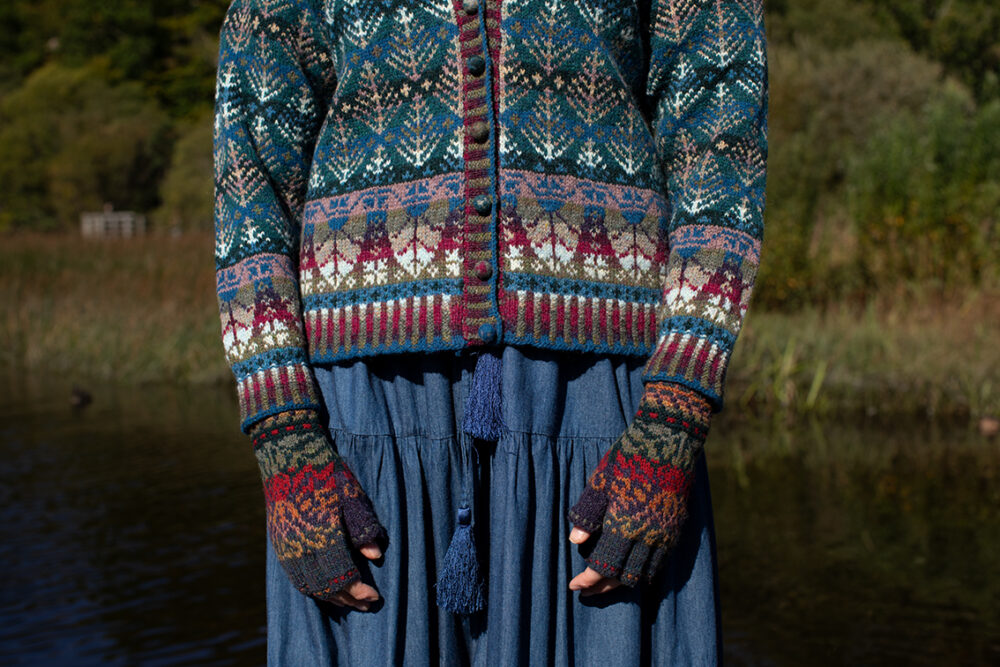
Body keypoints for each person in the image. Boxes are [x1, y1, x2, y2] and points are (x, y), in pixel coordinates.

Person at [212, 0, 767, 664]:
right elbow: (249, 175)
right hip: (364, 418)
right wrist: (284, 435)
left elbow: (720, 135)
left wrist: (676, 412)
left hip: (607, 407)